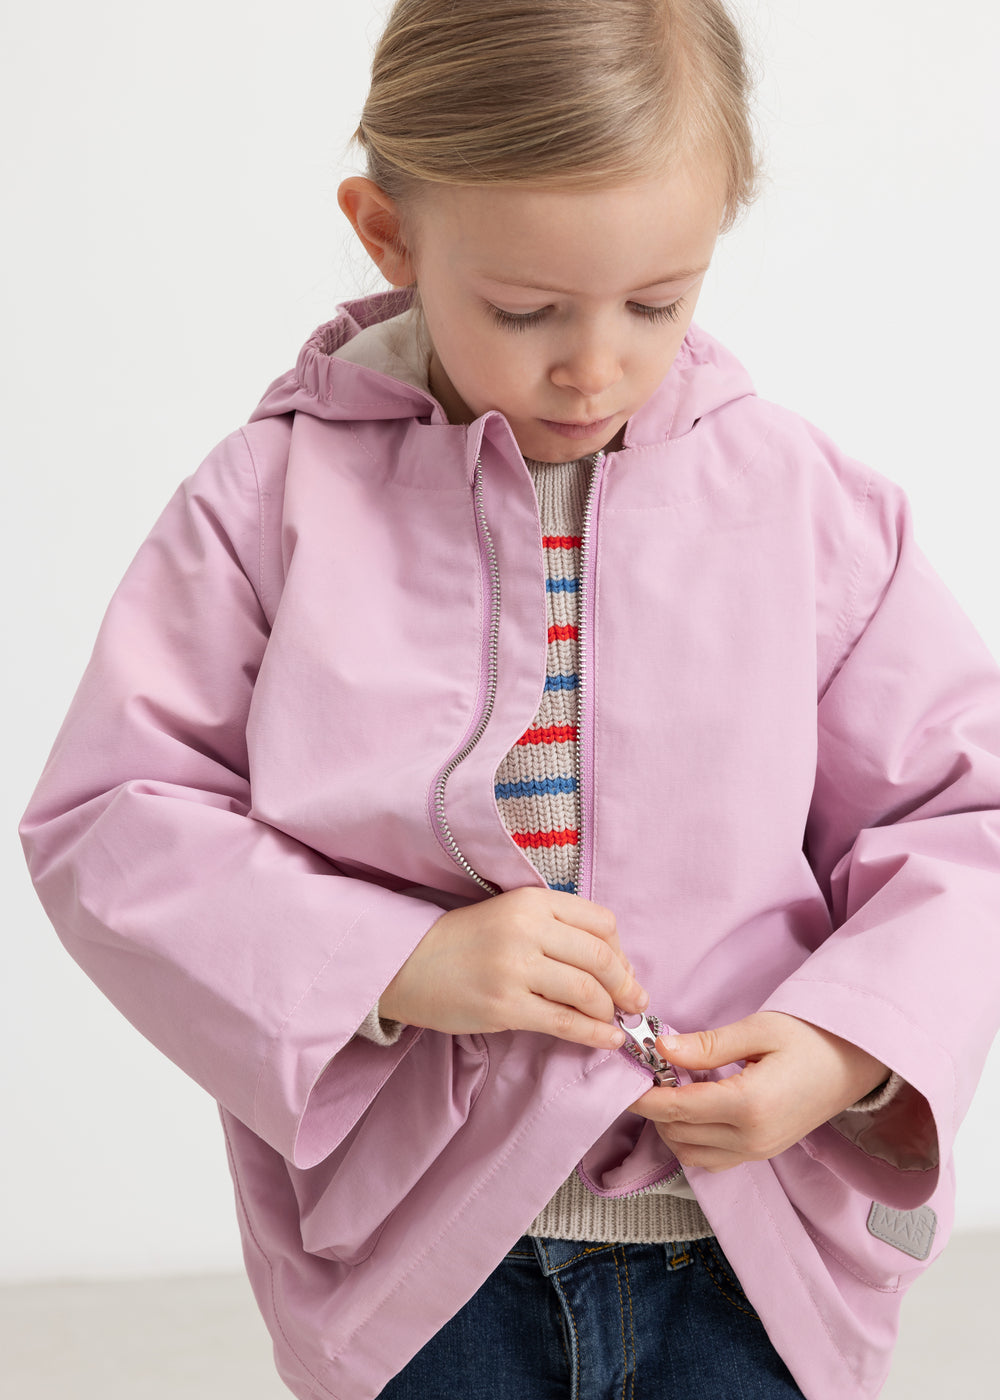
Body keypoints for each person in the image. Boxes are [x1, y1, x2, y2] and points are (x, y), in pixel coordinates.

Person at [18, 1, 1000, 1397]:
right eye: (526, 309)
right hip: (431, 1267)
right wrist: (392, 968)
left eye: (660, 302)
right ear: (389, 234)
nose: (594, 364)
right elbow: (114, 817)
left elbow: (965, 811)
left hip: (743, 1255)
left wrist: (847, 1051)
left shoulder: (803, 509)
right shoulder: (272, 505)